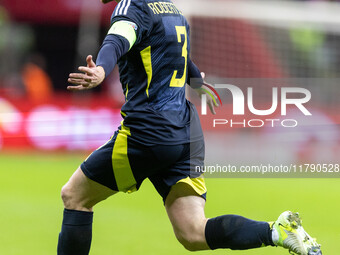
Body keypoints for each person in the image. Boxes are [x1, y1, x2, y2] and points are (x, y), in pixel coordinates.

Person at [57, 0, 322, 254]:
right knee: (193, 232)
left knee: (75, 197)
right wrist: (196, 82)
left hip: (149, 132)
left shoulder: (131, 5)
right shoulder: (172, 10)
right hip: (186, 132)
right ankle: (276, 231)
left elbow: (118, 38)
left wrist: (102, 69)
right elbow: (174, 52)